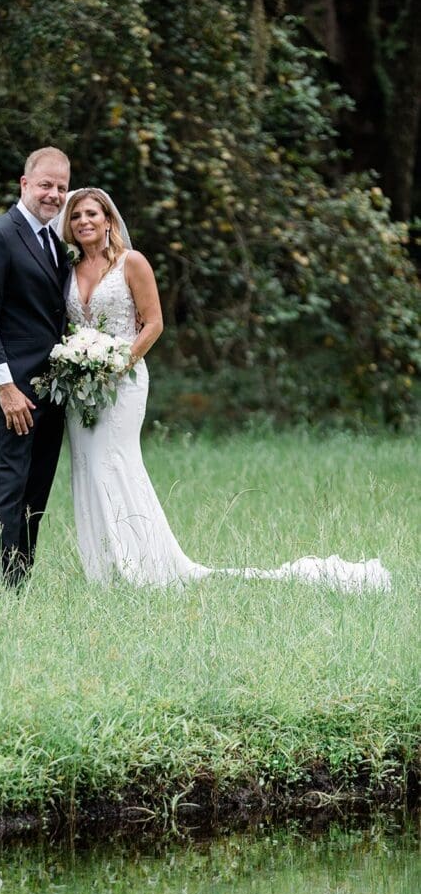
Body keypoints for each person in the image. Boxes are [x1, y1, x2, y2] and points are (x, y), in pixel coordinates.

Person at [53, 188, 391, 592]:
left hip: (122, 383)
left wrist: (116, 363)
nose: (83, 222)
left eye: (92, 214)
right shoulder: (67, 270)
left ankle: (141, 564)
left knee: (117, 464)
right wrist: (77, 363)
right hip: (82, 390)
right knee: (87, 468)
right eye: (76, 217)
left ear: (108, 220)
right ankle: (104, 569)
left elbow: (154, 323)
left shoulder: (132, 262)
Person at [0, 147, 71, 586]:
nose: (54, 194)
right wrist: (4, 388)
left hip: (53, 391)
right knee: (10, 490)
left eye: (62, 187)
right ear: (24, 184)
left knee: (37, 493)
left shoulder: (57, 244)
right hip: (15, 392)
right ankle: (5, 587)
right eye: (46, 184)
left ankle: (22, 579)